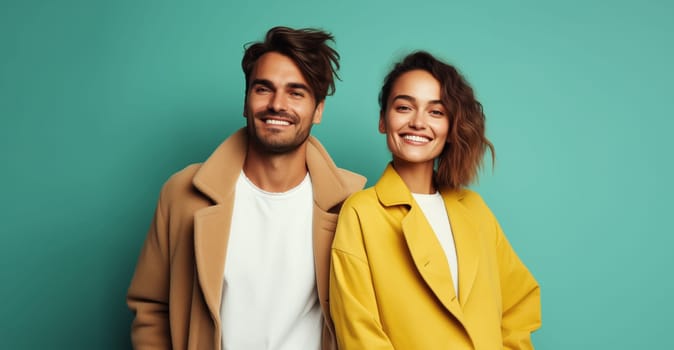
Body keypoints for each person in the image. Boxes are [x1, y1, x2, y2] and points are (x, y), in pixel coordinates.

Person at [127, 26, 366, 350]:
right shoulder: (182, 195)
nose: (277, 104)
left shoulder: (352, 205)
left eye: (296, 92)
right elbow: (151, 306)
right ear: (245, 100)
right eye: (263, 89)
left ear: (318, 109)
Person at [329, 51, 541, 349]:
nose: (418, 122)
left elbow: (519, 301)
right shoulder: (362, 213)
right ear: (383, 119)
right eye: (404, 107)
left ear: (451, 127)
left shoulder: (475, 209)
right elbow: (359, 331)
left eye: (436, 112)